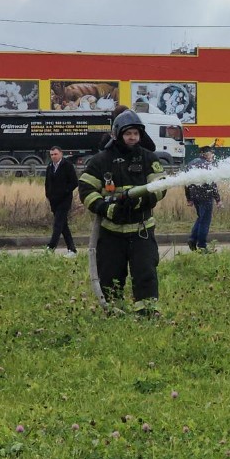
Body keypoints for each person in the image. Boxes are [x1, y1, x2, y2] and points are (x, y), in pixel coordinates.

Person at [77, 110, 166, 314]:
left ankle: (147, 312)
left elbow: (161, 186)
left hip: (142, 230)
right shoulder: (101, 160)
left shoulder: (148, 158)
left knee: (145, 272)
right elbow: (86, 189)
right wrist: (106, 208)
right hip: (111, 232)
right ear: (117, 134)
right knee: (110, 275)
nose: (132, 137)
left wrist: (140, 201)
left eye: (136, 133)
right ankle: (114, 311)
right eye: (128, 133)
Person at [185, 145, 221, 252]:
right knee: (205, 221)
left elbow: (186, 182)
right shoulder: (207, 165)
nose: (212, 156)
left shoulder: (191, 163)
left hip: (194, 195)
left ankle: (192, 239)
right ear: (206, 154)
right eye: (211, 154)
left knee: (200, 217)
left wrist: (189, 198)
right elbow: (212, 184)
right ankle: (202, 246)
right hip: (206, 196)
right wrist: (218, 199)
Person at [44, 145, 79, 257]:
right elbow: (47, 182)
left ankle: (51, 247)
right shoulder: (50, 166)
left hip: (64, 200)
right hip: (54, 201)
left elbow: (74, 182)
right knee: (63, 225)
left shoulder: (67, 165)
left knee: (58, 224)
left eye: (55, 154)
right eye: (51, 155)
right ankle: (72, 249)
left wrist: (65, 191)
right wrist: (48, 194)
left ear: (61, 154)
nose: (53, 156)